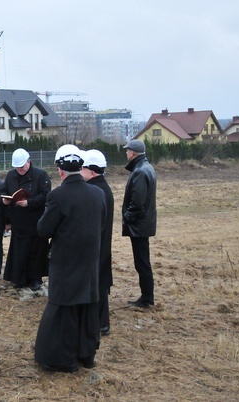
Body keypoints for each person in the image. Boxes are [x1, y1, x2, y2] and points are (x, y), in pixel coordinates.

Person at [34, 145, 107, 372]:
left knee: (63, 311)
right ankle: (87, 355)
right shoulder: (98, 193)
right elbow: (102, 224)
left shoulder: (57, 196)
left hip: (65, 263)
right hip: (90, 261)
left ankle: (63, 360)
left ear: (60, 170)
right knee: (87, 308)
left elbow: (43, 230)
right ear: (80, 168)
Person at [1, 148, 51, 291]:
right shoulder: (11, 175)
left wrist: (29, 203)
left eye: (22, 167)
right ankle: (19, 278)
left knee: (36, 251)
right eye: (17, 168)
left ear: (29, 162)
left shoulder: (41, 175)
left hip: (35, 220)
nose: (20, 170)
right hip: (18, 220)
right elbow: (4, 190)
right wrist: (5, 199)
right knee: (19, 251)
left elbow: (46, 195)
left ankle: (35, 278)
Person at [80, 149, 114, 335]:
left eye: (83, 168)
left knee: (98, 284)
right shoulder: (102, 187)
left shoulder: (97, 190)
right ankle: (101, 322)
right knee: (100, 283)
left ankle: (100, 323)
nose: (80, 171)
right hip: (102, 244)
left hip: (97, 245)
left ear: (92, 172)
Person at [122, 139, 157, 308]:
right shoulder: (145, 168)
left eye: (127, 151)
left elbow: (137, 203)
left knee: (142, 263)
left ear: (133, 153)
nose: (126, 153)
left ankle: (146, 298)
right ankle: (146, 296)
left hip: (139, 226)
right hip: (143, 225)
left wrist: (127, 217)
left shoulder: (140, 172)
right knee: (143, 262)